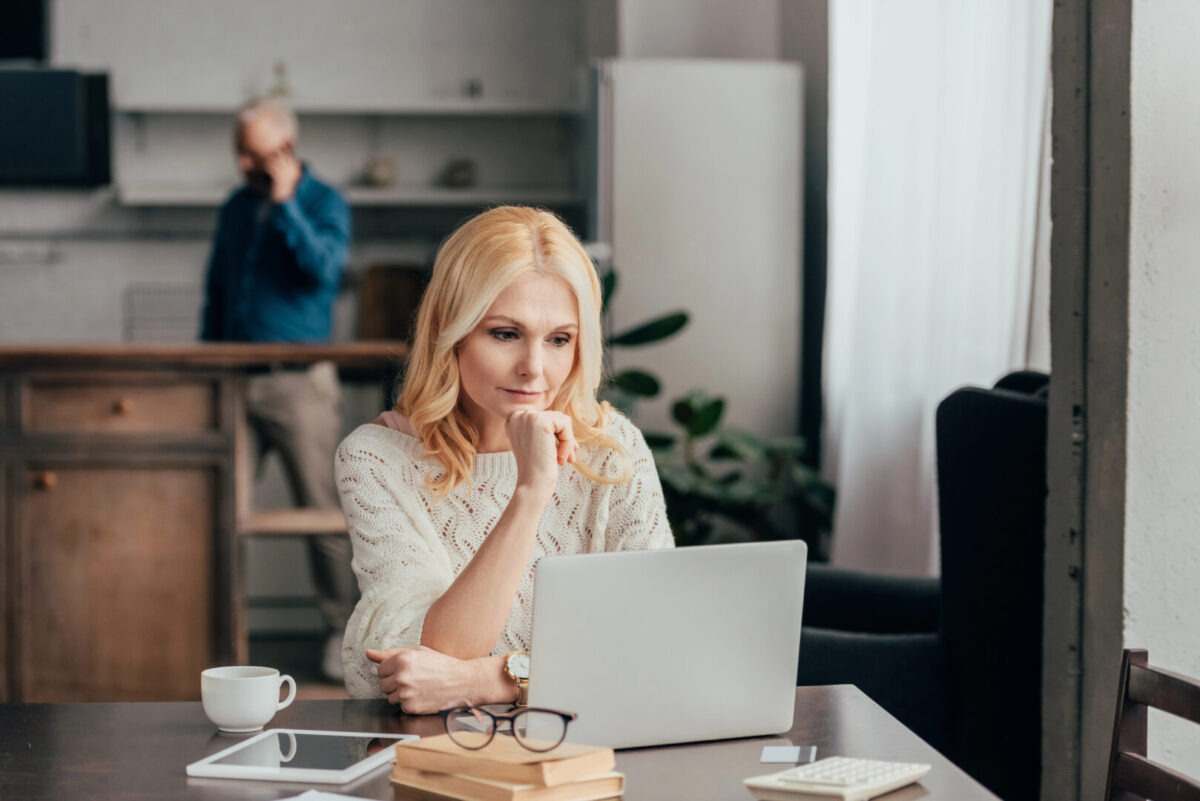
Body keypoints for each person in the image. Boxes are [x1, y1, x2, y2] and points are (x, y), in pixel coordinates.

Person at [335, 206, 674, 711]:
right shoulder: (378, 460)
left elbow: (655, 650)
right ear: (449, 331)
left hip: (587, 755)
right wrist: (531, 493)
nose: (533, 370)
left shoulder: (610, 450)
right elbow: (422, 666)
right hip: (445, 761)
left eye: (559, 340)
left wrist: (491, 681)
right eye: (504, 334)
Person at [199, 98, 355, 681]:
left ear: (286, 149)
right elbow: (218, 289)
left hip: (300, 384)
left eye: (254, 152)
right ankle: (215, 630)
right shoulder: (237, 207)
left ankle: (341, 630)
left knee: (322, 512)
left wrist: (288, 204)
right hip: (234, 380)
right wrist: (206, 364)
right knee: (216, 507)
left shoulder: (324, 202)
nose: (242, 161)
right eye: (239, 150)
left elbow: (324, 271)